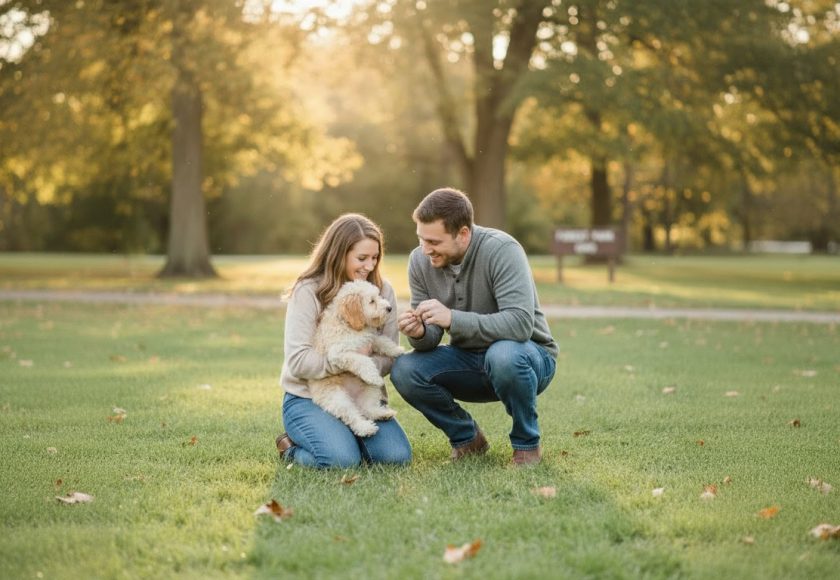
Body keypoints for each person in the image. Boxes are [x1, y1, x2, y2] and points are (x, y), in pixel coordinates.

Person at [391, 188, 558, 465]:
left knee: (503, 354)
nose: (425, 249)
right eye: (421, 238)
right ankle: (467, 439)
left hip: (527, 358)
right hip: (468, 360)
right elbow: (431, 336)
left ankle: (527, 446)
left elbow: (519, 324)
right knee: (404, 368)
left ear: (464, 234)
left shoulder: (502, 250)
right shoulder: (419, 261)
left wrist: (453, 319)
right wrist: (419, 333)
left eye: (434, 241)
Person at [276, 214, 412, 468]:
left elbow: (388, 357)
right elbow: (298, 361)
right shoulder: (309, 290)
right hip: (309, 396)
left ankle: (345, 437)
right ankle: (290, 449)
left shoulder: (383, 291)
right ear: (338, 254)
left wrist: (366, 362)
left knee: (396, 458)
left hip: (362, 394)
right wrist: (348, 361)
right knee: (340, 460)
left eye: (375, 258)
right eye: (362, 258)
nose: (369, 266)